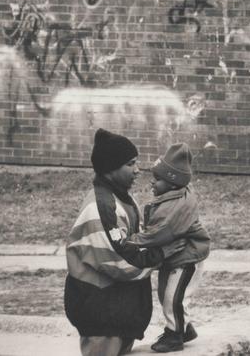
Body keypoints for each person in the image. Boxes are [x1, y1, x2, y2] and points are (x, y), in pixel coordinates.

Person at [64, 128, 185, 356]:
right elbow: (121, 262)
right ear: (111, 167)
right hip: (101, 315)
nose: (138, 170)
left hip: (116, 312)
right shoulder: (100, 209)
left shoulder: (121, 199)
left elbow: (136, 243)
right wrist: (161, 254)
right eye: (130, 164)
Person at [126, 142, 211, 353]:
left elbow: (158, 234)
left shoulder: (176, 208)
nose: (152, 182)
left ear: (173, 183)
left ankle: (174, 336)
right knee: (167, 295)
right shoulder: (174, 193)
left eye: (157, 179)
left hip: (187, 258)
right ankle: (185, 329)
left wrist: (131, 240)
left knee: (173, 298)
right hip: (176, 257)